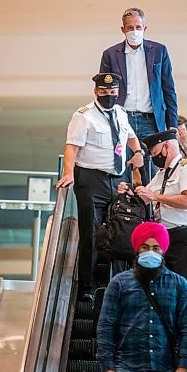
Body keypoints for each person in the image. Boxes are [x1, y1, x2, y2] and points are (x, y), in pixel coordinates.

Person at [56, 73, 144, 300]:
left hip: (117, 180)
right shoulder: (83, 116)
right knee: (91, 234)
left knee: (120, 231)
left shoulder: (121, 114)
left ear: (118, 91)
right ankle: (88, 287)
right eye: (103, 92)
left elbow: (131, 137)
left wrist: (137, 152)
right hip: (90, 180)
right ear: (96, 91)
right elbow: (71, 148)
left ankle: (119, 283)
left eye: (112, 91)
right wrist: (68, 174)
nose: (108, 95)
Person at [97, 222, 187, 372]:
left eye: (156, 248)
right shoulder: (119, 283)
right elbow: (106, 326)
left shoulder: (179, 285)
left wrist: (185, 365)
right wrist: (107, 366)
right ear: (137, 249)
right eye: (145, 247)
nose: (150, 252)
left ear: (163, 250)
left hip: (166, 369)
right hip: (125, 368)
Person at [119, 129, 187, 289]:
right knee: (163, 286)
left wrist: (156, 197)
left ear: (166, 147)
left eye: (155, 152)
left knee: (181, 286)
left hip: (185, 234)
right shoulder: (161, 174)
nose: (153, 157)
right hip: (164, 236)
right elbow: (145, 197)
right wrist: (129, 191)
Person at [99, 8, 178, 180]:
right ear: (123, 30)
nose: (134, 31)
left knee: (150, 173)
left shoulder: (159, 51)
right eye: (130, 28)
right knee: (120, 169)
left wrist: (172, 123)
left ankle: (148, 207)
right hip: (122, 120)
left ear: (145, 28)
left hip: (151, 120)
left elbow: (168, 89)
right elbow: (104, 93)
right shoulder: (110, 54)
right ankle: (120, 207)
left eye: (138, 27)